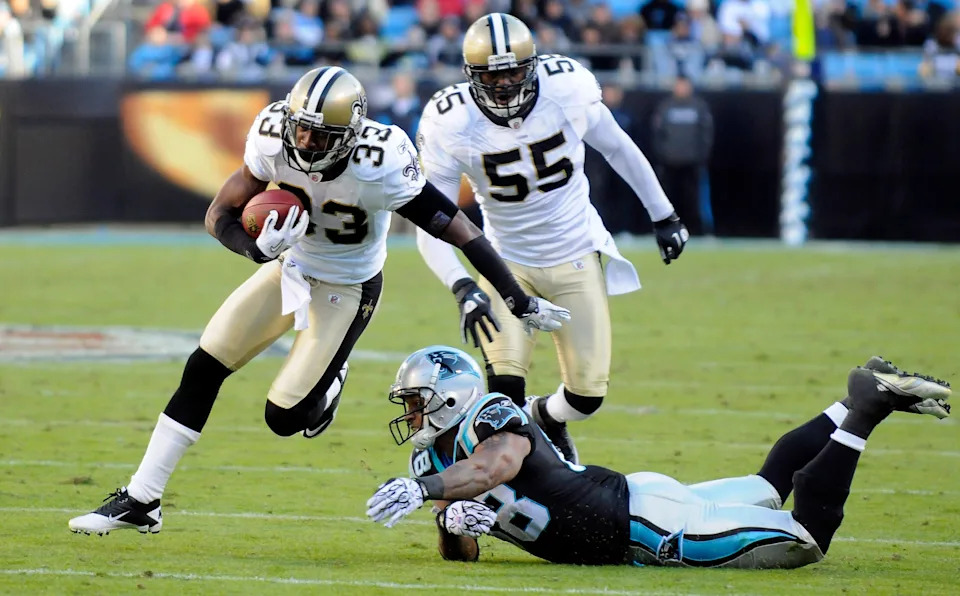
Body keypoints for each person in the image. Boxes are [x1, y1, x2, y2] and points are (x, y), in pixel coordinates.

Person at [68, 66, 571, 536]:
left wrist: (514, 295)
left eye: (321, 135)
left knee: (284, 419)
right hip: (289, 269)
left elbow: (456, 228)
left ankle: (332, 377)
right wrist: (253, 249)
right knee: (203, 367)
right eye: (301, 129)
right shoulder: (271, 136)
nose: (307, 142)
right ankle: (142, 500)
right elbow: (219, 213)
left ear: (350, 135)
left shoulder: (382, 161)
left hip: (347, 288)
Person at [367, 346, 950, 567]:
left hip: (643, 526)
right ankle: (853, 396)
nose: (411, 415)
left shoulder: (489, 416)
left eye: (416, 402)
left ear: (450, 397)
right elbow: (462, 555)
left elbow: (497, 467)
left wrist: (429, 494)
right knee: (768, 484)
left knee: (808, 540)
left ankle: (866, 409)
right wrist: (454, 525)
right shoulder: (432, 466)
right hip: (634, 506)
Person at [414, 13, 689, 464]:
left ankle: (545, 416)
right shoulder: (451, 121)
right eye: (492, 74)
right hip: (504, 263)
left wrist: (664, 215)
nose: (504, 85)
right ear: (471, 77)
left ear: (535, 65)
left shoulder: (566, 90)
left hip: (575, 253)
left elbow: (618, 146)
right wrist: (462, 286)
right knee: (503, 391)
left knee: (586, 395)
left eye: (514, 71)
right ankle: (514, 488)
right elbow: (433, 220)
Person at [651, 76, 714, 236]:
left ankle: (697, 231)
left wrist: (701, 156)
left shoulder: (699, 106)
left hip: (692, 163)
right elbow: (657, 134)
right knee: (669, 199)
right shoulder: (665, 107)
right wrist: (663, 155)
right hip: (669, 162)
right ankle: (669, 230)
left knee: (693, 199)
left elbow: (706, 134)